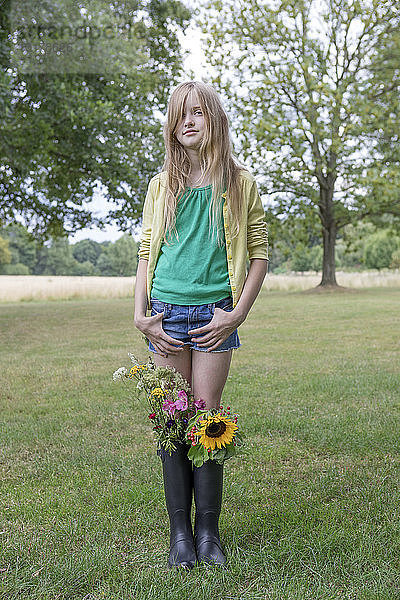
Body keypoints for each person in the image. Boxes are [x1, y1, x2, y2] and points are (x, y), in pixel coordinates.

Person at [134, 81, 268, 570]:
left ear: (214, 118)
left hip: (215, 314)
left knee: (206, 416)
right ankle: (180, 535)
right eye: (178, 115)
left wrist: (237, 314)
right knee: (172, 417)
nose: (187, 122)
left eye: (197, 113)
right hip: (167, 312)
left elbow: (259, 254)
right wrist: (140, 312)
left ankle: (208, 531)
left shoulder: (238, 182)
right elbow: (147, 252)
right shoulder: (161, 185)